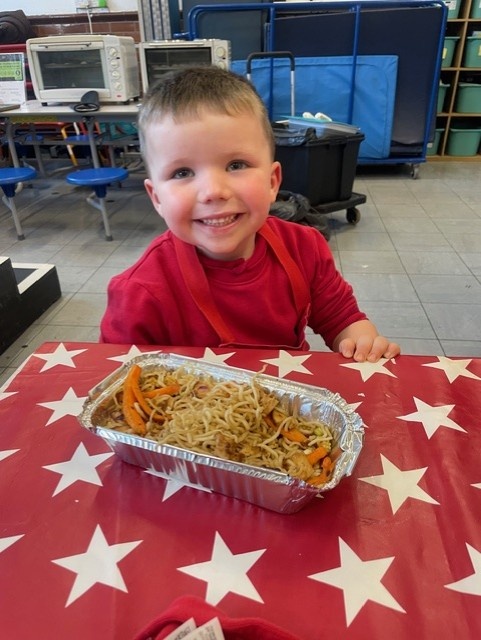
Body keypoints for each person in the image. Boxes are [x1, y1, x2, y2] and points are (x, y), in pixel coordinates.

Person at [100, 66, 400, 363]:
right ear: (156, 197)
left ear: (272, 182)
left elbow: (343, 319)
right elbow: (115, 371)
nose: (213, 191)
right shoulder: (138, 293)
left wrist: (362, 342)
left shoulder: (303, 249)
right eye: (182, 172)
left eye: (236, 165)